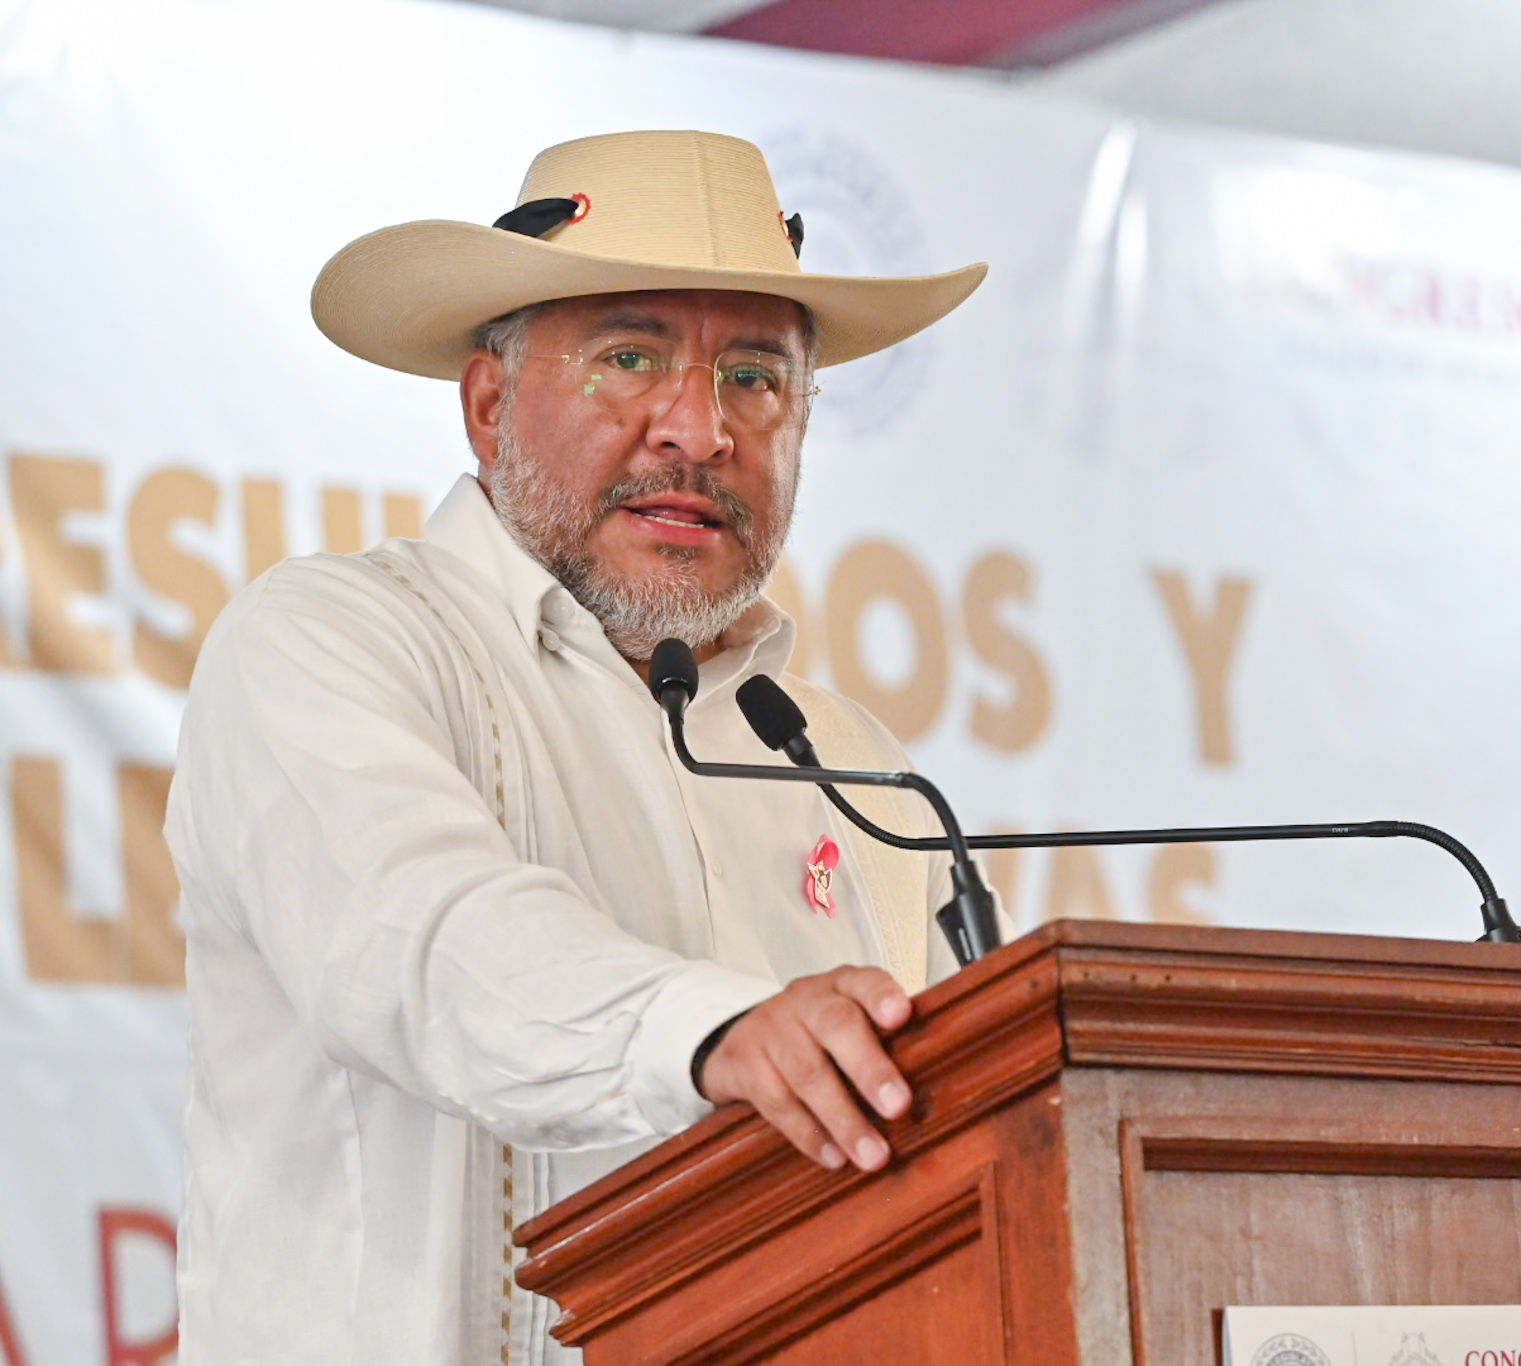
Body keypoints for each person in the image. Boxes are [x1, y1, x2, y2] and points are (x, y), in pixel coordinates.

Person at [166, 130, 992, 1364]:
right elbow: (423, 942)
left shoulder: (849, 761)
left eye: (754, 377)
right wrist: (714, 1034)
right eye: (629, 357)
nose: (698, 431)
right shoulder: (330, 638)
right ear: (488, 404)